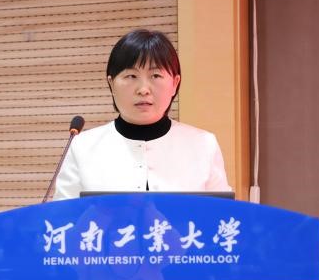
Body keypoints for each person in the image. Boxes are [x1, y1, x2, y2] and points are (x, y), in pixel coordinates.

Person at [53, 29, 232, 200]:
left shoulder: (203, 144)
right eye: (131, 76)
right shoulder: (83, 147)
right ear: (112, 84)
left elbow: (223, 215)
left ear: (175, 83)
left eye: (155, 76)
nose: (143, 89)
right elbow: (63, 216)